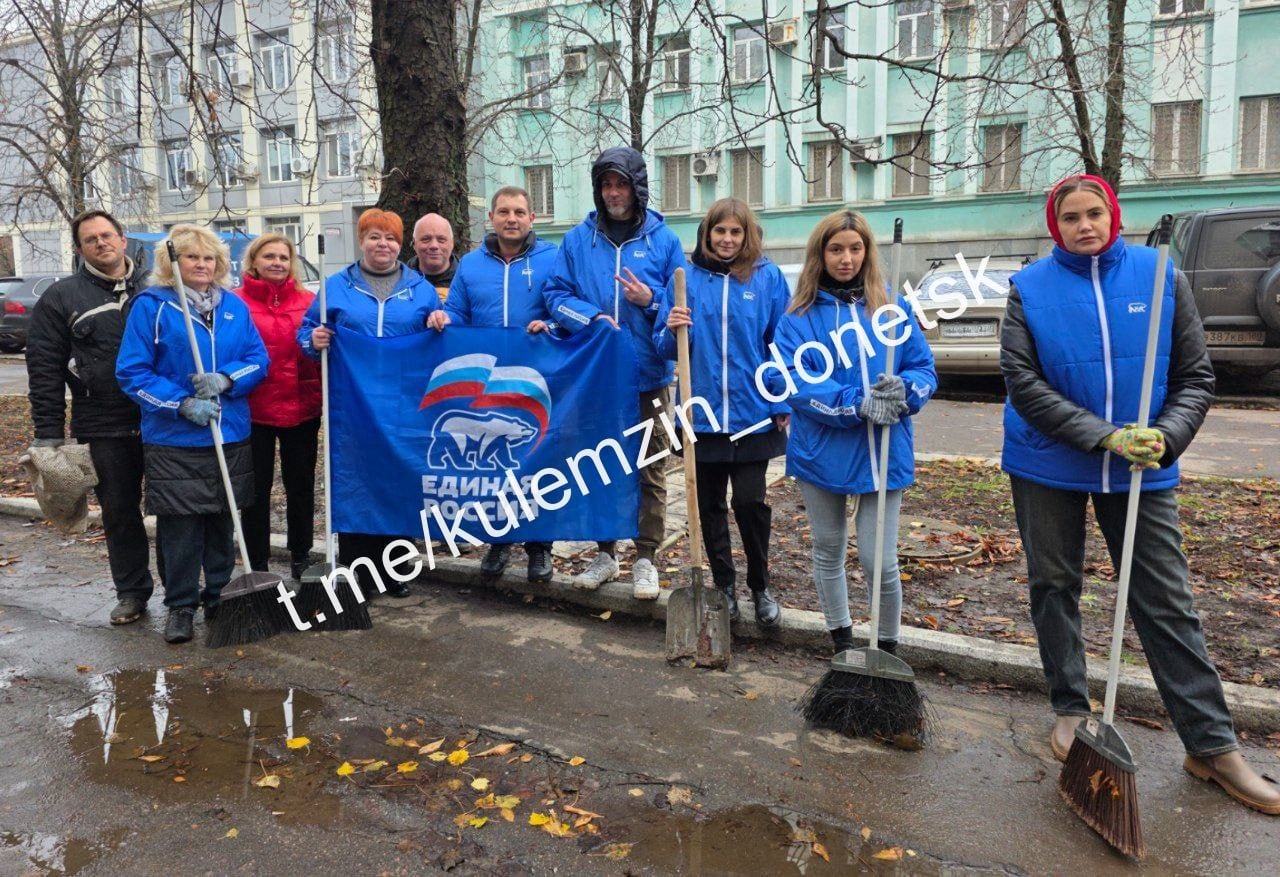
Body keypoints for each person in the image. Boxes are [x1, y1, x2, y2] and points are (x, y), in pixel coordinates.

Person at [1000, 173, 1279, 815]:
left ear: (1114, 216)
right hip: (1048, 462)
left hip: (1143, 466)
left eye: (1094, 213)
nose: (1085, 226)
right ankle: (1070, 708)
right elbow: (1023, 383)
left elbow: (1195, 377)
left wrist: (1167, 435)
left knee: (1166, 600)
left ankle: (1211, 746)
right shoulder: (1029, 288)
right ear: (1056, 227)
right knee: (1054, 585)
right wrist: (1105, 437)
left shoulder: (1160, 277)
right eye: (1071, 217)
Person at [767, 210, 937, 656]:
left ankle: (886, 652)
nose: (846, 258)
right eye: (836, 249)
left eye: (855, 248)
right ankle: (841, 642)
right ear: (820, 254)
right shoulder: (797, 318)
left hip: (883, 450)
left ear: (867, 252)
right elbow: (793, 381)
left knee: (880, 562)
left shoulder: (892, 310)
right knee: (829, 550)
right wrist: (855, 402)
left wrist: (905, 390)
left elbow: (923, 368)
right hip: (821, 451)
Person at [542, 146, 686, 599]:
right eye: (606, 184)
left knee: (650, 470)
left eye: (621, 184)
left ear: (637, 187)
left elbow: (681, 308)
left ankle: (645, 558)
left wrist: (651, 300)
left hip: (649, 377)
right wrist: (591, 318)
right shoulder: (577, 240)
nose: (613, 193)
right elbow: (555, 294)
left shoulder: (664, 241)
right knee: (599, 466)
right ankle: (605, 553)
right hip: (597, 378)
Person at [115, 225, 269, 644]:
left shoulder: (234, 306)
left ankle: (218, 594)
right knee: (180, 527)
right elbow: (132, 371)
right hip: (175, 439)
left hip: (228, 431)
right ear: (173, 263)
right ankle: (181, 605)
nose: (202, 265)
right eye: (192, 257)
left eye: (209, 258)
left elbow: (258, 358)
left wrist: (227, 378)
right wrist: (180, 403)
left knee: (222, 518)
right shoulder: (152, 306)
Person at [653, 198, 788, 626]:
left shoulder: (767, 278)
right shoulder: (685, 279)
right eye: (720, 231)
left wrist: (781, 399)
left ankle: (760, 586)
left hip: (753, 413)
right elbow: (663, 348)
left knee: (750, 503)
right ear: (706, 234)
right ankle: (724, 586)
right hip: (702, 414)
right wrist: (671, 327)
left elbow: (783, 343)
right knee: (709, 505)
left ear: (747, 236)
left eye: (735, 232)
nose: (727, 239)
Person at [299, 208, 442, 600]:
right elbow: (307, 330)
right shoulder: (335, 287)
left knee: (399, 481)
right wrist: (312, 340)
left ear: (401, 244)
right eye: (375, 236)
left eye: (391, 237)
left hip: (403, 405)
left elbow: (437, 342)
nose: (383, 244)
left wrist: (438, 323)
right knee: (356, 481)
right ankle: (357, 569)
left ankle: (395, 570)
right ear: (361, 241)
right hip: (352, 404)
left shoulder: (420, 290)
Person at [26, 210, 156, 626]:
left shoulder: (157, 287)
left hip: (162, 418)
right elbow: (44, 371)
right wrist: (48, 435)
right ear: (80, 249)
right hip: (102, 423)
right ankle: (132, 592)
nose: (101, 243)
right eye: (91, 239)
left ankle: (182, 594)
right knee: (119, 511)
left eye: (107, 235)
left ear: (122, 239)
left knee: (176, 508)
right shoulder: (61, 298)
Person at [427, 186, 559, 582]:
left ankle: (540, 547)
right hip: (488, 385)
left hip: (536, 378)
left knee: (537, 461)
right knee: (497, 467)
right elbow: (457, 312)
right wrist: (444, 319)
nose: (511, 219)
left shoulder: (553, 258)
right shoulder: (470, 264)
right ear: (492, 218)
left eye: (519, 212)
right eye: (503, 212)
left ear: (531, 217)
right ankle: (499, 541)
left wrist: (549, 324)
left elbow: (565, 306)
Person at [234, 233, 321, 581]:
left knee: (301, 486)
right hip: (254, 409)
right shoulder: (236, 302)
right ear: (254, 261)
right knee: (255, 490)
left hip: (302, 406)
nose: (277, 263)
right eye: (269, 256)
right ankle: (258, 562)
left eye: (283, 257)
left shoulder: (309, 301)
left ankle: (301, 554)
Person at [408, 213, 458, 301]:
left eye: (441, 240)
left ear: (452, 243)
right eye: (426, 239)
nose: (434, 245)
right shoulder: (399, 284)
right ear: (414, 244)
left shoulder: (468, 282)